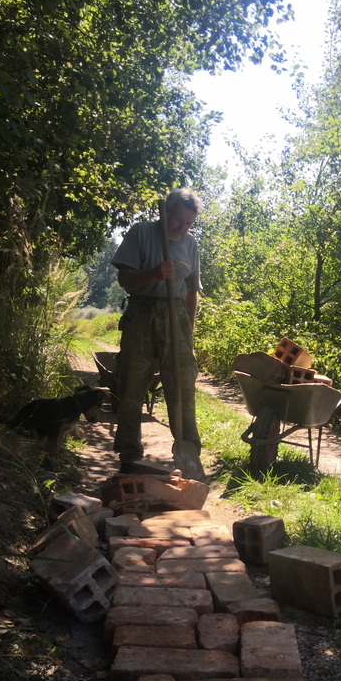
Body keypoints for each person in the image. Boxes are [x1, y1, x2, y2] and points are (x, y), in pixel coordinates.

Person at [111, 186, 204, 480]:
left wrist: (188, 332)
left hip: (176, 315)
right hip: (142, 312)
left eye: (188, 223)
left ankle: (188, 454)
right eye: (178, 219)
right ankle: (129, 457)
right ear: (164, 212)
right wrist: (153, 274)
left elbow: (191, 292)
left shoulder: (190, 243)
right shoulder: (141, 233)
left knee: (182, 387)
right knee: (131, 386)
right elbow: (124, 279)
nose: (182, 227)